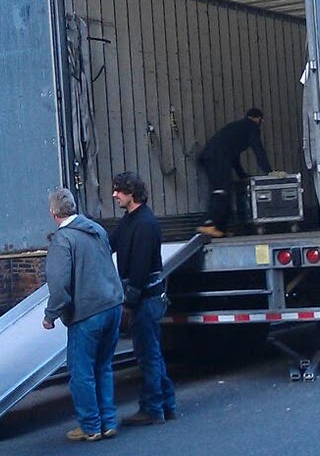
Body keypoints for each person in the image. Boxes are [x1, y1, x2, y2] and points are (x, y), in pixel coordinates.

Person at [41, 187, 125, 442]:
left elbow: (59, 283)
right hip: (113, 303)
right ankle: (108, 421)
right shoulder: (97, 230)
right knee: (104, 366)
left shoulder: (63, 240)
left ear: (53, 213)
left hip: (87, 311)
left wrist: (50, 314)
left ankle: (90, 425)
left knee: (81, 371)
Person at [110, 172, 178, 426]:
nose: (114, 195)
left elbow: (139, 269)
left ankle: (153, 409)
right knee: (152, 353)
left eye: (118, 190)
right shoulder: (131, 220)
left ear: (131, 192)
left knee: (148, 355)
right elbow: (110, 243)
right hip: (146, 297)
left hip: (145, 299)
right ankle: (166, 404)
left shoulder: (145, 224)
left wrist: (128, 302)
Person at [196, 107, 270, 238]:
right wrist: (269, 171)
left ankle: (220, 229)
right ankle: (208, 224)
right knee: (221, 191)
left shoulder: (238, 128)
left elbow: (233, 155)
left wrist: (242, 174)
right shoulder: (251, 127)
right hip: (216, 158)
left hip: (212, 157)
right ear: (257, 119)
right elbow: (259, 150)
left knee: (226, 192)